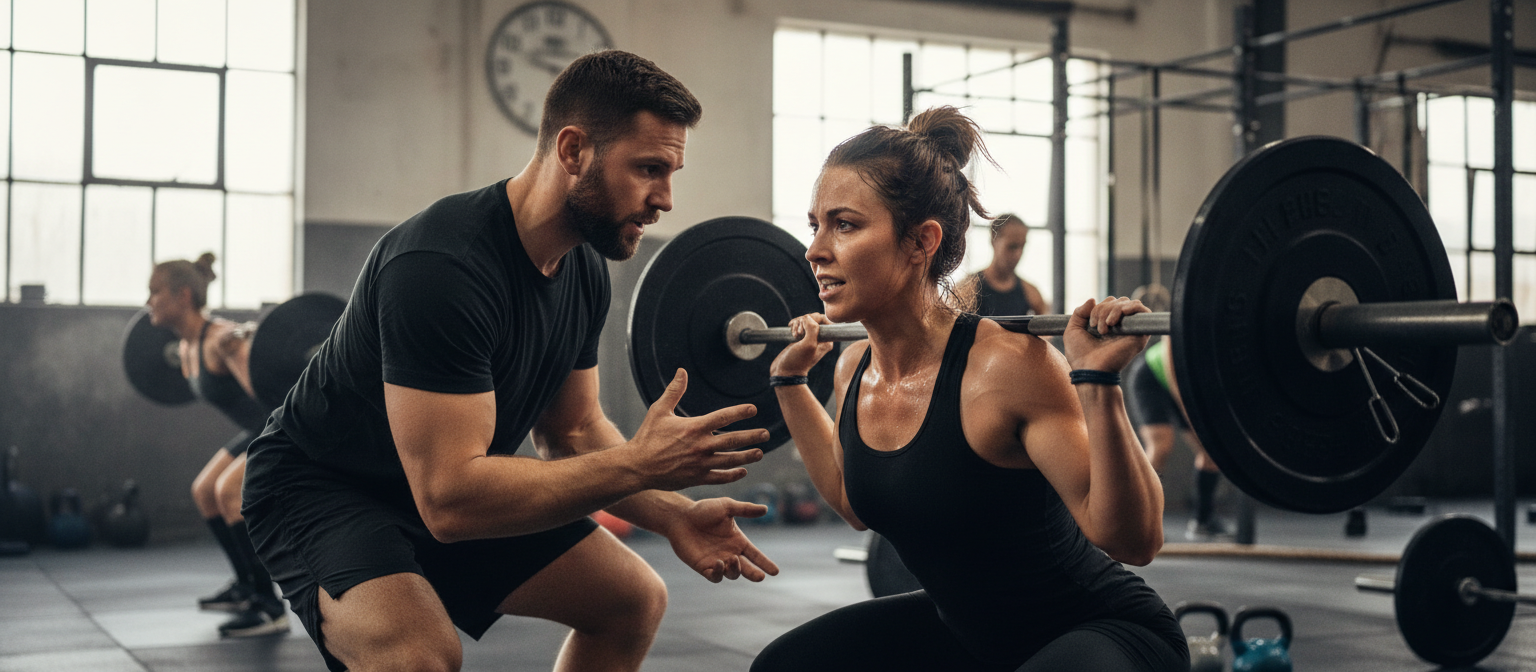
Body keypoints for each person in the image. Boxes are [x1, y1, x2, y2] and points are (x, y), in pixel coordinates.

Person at [241, 50, 778, 672]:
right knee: (417, 659)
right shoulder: (442, 267)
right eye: (649, 169)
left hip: (441, 484)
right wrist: (637, 463)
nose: (664, 199)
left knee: (630, 600)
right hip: (320, 486)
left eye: (671, 172)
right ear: (573, 150)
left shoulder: (583, 269)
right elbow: (451, 499)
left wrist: (675, 515)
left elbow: (572, 431)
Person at [751, 107, 1187, 672]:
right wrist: (788, 382)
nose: (815, 250)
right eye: (815, 225)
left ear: (920, 242)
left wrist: (1097, 381)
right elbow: (855, 503)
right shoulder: (852, 365)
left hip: (1099, 631)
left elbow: (1135, 541)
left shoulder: (1007, 367)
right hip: (971, 633)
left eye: (845, 225)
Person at [144, 253, 288, 638]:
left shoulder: (221, 340)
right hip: (254, 427)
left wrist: (241, 345)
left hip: (277, 425)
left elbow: (269, 395)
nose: (148, 302)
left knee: (229, 492)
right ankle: (245, 585)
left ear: (183, 296)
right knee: (204, 491)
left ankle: (269, 607)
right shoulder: (188, 348)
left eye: (154, 292)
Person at [1126, 336, 1229, 540]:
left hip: (1188, 387)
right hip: (1152, 377)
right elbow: (1173, 372)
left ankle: (1203, 521)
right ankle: (1137, 522)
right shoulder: (1186, 318)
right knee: (1161, 446)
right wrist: (1192, 414)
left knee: (1211, 452)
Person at [974, 213, 1050, 317]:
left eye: (1022, 247)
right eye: (1012, 246)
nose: (1018, 255)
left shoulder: (1031, 293)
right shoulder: (968, 290)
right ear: (994, 240)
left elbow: (1046, 330)